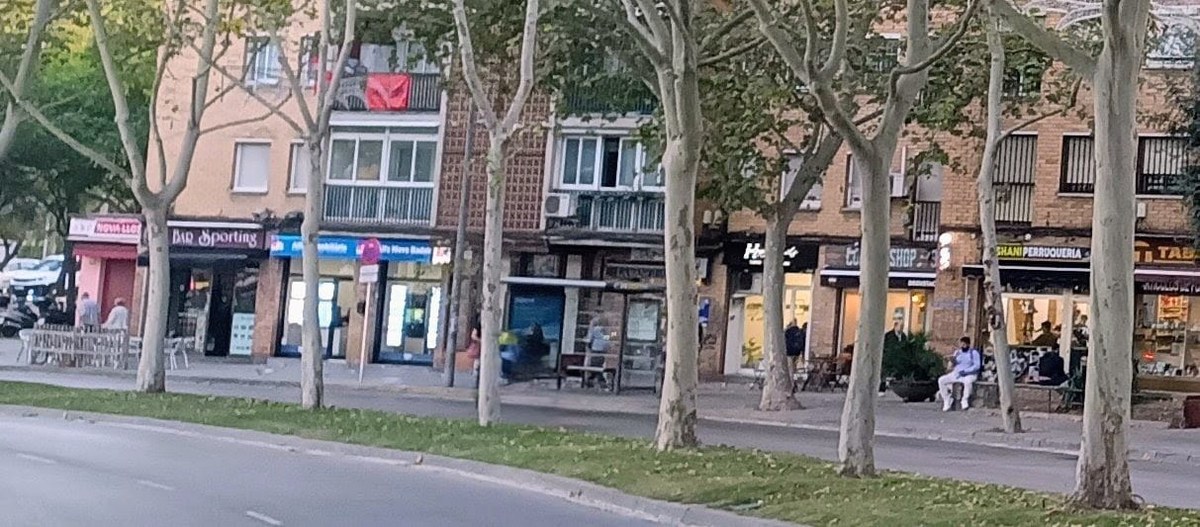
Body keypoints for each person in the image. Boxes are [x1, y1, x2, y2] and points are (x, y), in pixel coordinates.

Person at [938, 337, 982, 411]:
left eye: (964, 345)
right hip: (957, 374)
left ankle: (964, 400)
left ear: (968, 344)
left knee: (968, 382)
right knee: (941, 380)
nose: (962, 346)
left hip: (969, 374)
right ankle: (947, 399)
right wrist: (952, 361)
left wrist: (966, 371)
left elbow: (977, 365)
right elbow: (953, 365)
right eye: (961, 344)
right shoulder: (957, 352)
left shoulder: (974, 353)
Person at [587, 317, 611, 388]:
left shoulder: (595, 330)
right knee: (599, 365)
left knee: (594, 365)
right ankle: (598, 380)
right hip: (602, 350)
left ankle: (593, 380)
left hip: (595, 348)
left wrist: (589, 346)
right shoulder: (606, 331)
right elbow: (607, 340)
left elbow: (590, 338)